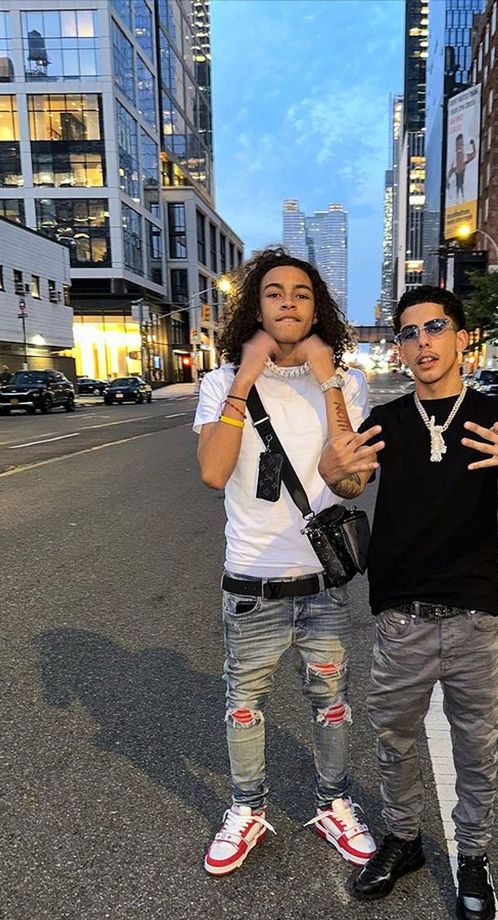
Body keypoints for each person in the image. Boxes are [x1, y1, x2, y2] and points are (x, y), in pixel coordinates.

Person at [318, 285, 498, 919]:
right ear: (398, 347)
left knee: (478, 748)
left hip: (475, 617)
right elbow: (348, 480)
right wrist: (331, 457)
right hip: (401, 618)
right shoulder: (388, 422)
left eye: (436, 327)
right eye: (410, 332)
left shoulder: (493, 414)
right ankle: (403, 840)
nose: (422, 341)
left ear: (461, 338)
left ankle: (473, 858)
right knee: (394, 740)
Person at [193, 247, 377, 877]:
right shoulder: (222, 383)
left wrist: (327, 378)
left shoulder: (347, 383)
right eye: (274, 292)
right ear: (256, 305)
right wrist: (245, 377)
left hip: (323, 583)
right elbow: (215, 472)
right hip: (252, 583)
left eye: (301, 292)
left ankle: (332, 804)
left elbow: (354, 482)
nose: (289, 302)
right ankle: (248, 809)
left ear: (316, 306)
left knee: (331, 703)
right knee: (244, 705)